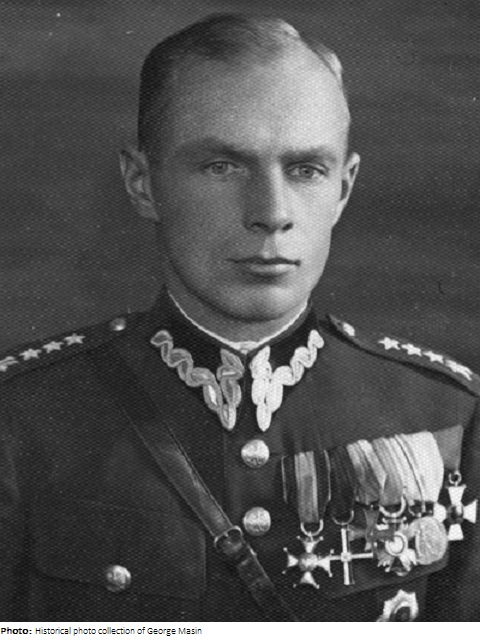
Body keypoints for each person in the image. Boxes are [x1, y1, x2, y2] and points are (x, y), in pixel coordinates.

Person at [0, 13, 479, 623]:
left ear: (344, 188)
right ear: (142, 184)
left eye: (306, 170)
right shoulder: (21, 418)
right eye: (222, 166)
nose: (271, 213)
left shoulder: (447, 413)